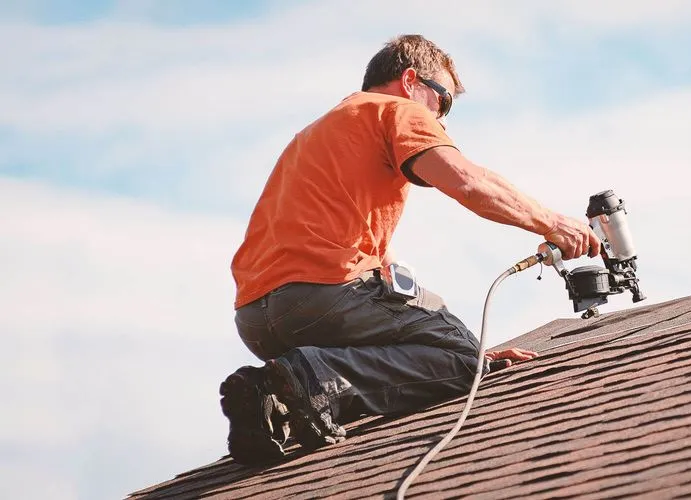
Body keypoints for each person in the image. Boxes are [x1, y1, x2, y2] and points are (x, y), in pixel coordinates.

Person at [219, 34, 601, 466]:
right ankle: (314, 377)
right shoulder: (396, 110)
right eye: (443, 102)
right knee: (463, 359)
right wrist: (552, 223)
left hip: (256, 320)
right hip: (324, 295)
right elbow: (467, 182)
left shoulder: (315, 134)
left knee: (440, 350)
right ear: (410, 80)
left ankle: (273, 400)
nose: (442, 120)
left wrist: (431, 347)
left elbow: (345, 242)